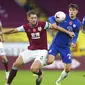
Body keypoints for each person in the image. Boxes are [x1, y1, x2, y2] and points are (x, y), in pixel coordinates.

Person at [3, 10, 75, 85]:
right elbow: (13, 30)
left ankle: (40, 74)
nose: (34, 19)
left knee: (33, 69)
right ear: (28, 18)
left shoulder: (43, 24)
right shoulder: (25, 27)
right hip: (30, 50)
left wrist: (68, 32)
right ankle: (8, 83)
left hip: (42, 50)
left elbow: (56, 27)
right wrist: (2, 32)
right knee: (16, 64)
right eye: (32, 18)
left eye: (35, 17)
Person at [47, 3, 82, 85]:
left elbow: (76, 34)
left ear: (77, 11)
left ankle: (58, 82)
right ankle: (39, 63)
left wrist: (73, 42)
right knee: (50, 61)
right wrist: (54, 23)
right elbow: (50, 18)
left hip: (66, 47)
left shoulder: (78, 23)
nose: (71, 12)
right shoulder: (63, 16)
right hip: (56, 44)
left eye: (73, 10)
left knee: (67, 69)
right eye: (70, 10)